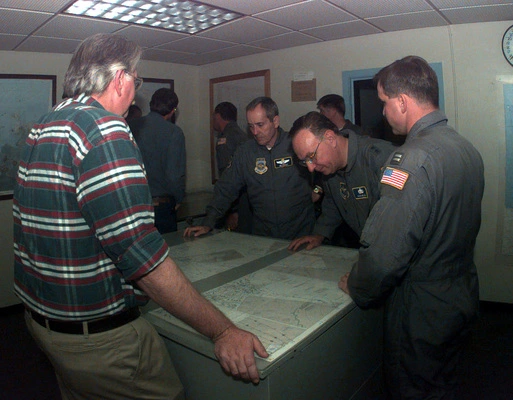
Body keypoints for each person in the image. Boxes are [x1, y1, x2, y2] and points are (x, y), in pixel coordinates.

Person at [13, 33, 268, 400]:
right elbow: (142, 257)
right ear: (120, 79)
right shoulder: (104, 130)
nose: (136, 89)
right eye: (136, 79)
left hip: (43, 321)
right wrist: (223, 331)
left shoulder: (45, 123)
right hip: (100, 340)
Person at [339, 56, 484, 399]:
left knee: (412, 388)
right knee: (445, 382)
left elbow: (385, 254)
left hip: (422, 308)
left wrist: (357, 286)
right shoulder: (467, 149)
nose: (384, 113)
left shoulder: (411, 159)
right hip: (460, 292)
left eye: (385, 103)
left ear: (402, 102)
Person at [184, 96, 315, 240]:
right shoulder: (245, 152)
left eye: (260, 125)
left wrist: (317, 190)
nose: (255, 131)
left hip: (300, 231)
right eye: (251, 126)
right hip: (264, 233)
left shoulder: (294, 144)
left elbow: (323, 173)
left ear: (275, 121)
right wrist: (208, 221)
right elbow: (226, 187)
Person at [288, 111, 395, 251]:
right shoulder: (329, 168)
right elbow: (334, 202)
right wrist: (320, 234)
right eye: (304, 161)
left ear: (330, 138)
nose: (310, 168)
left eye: (312, 156)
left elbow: (397, 227)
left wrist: (366, 270)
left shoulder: (380, 159)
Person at [129, 88, 186, 234]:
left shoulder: (132, 126)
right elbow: (174, 174)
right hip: (161, 206)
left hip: (134, 203)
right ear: (173, 110)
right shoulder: (174, 132)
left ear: (151, 104)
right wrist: (178, 198)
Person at [213, 101, 252, 233]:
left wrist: (232, 211)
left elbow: (228, 177)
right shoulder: (242, 135)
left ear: (218, 117)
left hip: (236, 203)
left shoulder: (225, 139)